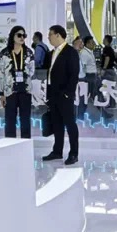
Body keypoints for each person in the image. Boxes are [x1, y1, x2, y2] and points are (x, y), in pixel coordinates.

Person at [44, 25, 80, 165]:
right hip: (53, 95)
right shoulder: (52, 53)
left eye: (50, 34)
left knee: (70, 124)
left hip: (65, 95)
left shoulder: (70, 52)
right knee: (57, 124)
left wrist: (67, 93)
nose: (49, 37)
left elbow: (74, 75)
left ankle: (74, 153)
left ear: (58, 35)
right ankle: (57, 151)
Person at [0, 25, 35, 139]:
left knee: (25, 119)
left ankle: (25, 143)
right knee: (10, 120)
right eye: (19, 35)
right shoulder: (5, 53)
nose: (22, 37)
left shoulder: (29, 52)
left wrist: (24, 73)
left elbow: (32, 71)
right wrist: (1, 93)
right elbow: (1, 74)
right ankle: (10, 143)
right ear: (12, 36)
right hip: (10, 91)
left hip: (25, 90)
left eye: (24, 35)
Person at [75, 36, 98, 119]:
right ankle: (80, 115)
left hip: (90, 76)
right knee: (85, 97)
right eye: (92, 42)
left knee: (94, 95)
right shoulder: (84, 53)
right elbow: (82, 67)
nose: (94, 44)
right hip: (87, 77)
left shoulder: (89, 52)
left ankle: (103, 112)